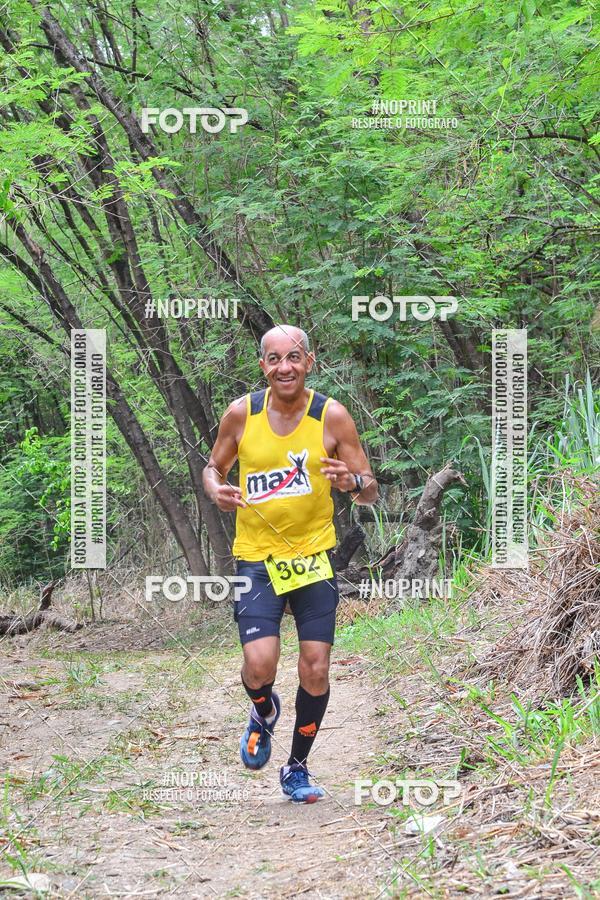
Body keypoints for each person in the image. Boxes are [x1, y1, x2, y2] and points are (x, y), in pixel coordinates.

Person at [203, 324, 378, 803]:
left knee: (316, 668)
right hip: (257, 559)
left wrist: (351, 483)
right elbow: (213, 467)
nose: (285, 367)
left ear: (309, 361)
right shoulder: (241, 414)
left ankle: (296, 767)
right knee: (259, 665)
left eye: (294, 357)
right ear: (263, 366)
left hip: (312, 559)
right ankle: (263, 710)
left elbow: (369, 488)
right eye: (275, 359)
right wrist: (216, 490)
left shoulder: (332, 417)